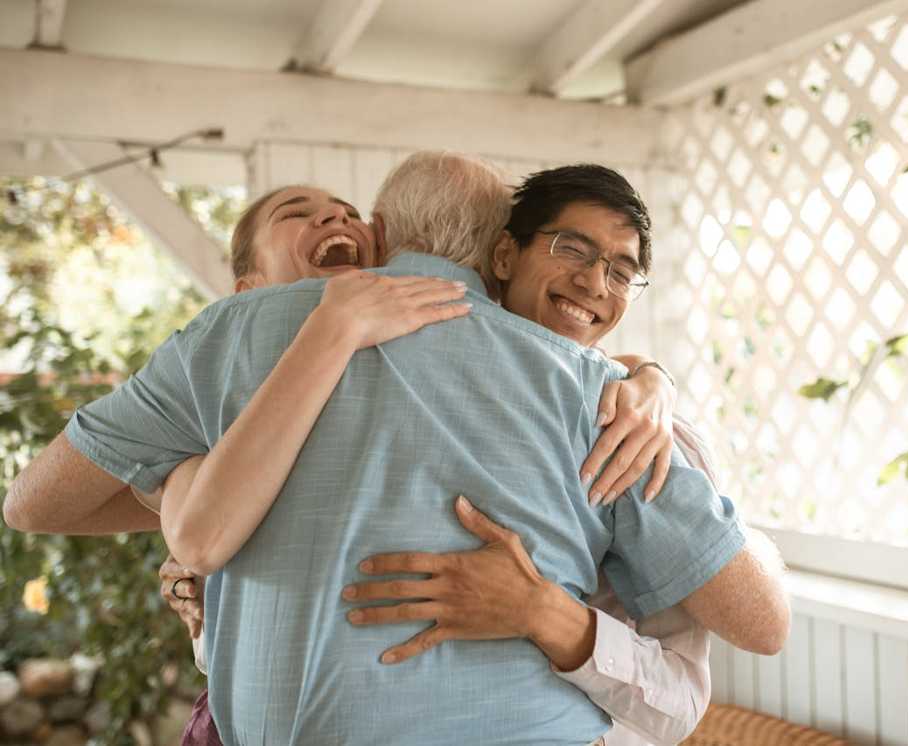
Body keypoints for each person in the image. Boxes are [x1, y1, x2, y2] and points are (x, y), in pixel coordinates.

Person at [7, 152, 788, 744]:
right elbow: (761, 625)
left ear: (378, 239)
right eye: (573, 251)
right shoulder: (593, 393)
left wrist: (178, 482)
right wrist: (194, 489)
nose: (594, 283)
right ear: (498, 256)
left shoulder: (226, 336)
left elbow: (36, 504)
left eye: (621, 271)